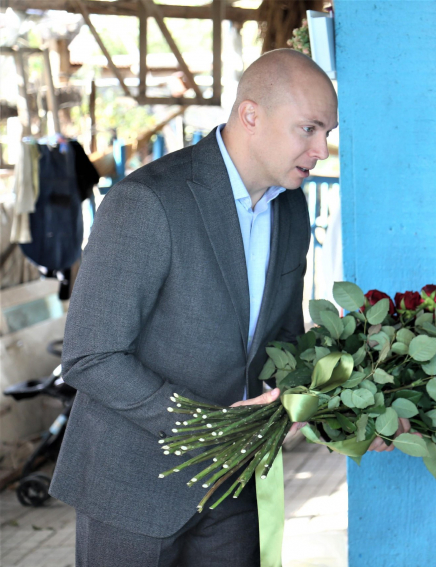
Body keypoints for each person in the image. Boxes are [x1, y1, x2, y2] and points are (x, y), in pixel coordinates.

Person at [50, 49, 338, 566]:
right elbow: (90, 356)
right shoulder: (148, 200)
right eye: (309, 129)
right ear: (251, 115)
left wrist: (319, 400)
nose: (321, 149)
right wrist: (207, 429)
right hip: (132, 490)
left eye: (327, 132)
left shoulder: (292, 205)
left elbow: (280, 336)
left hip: (231, 487)